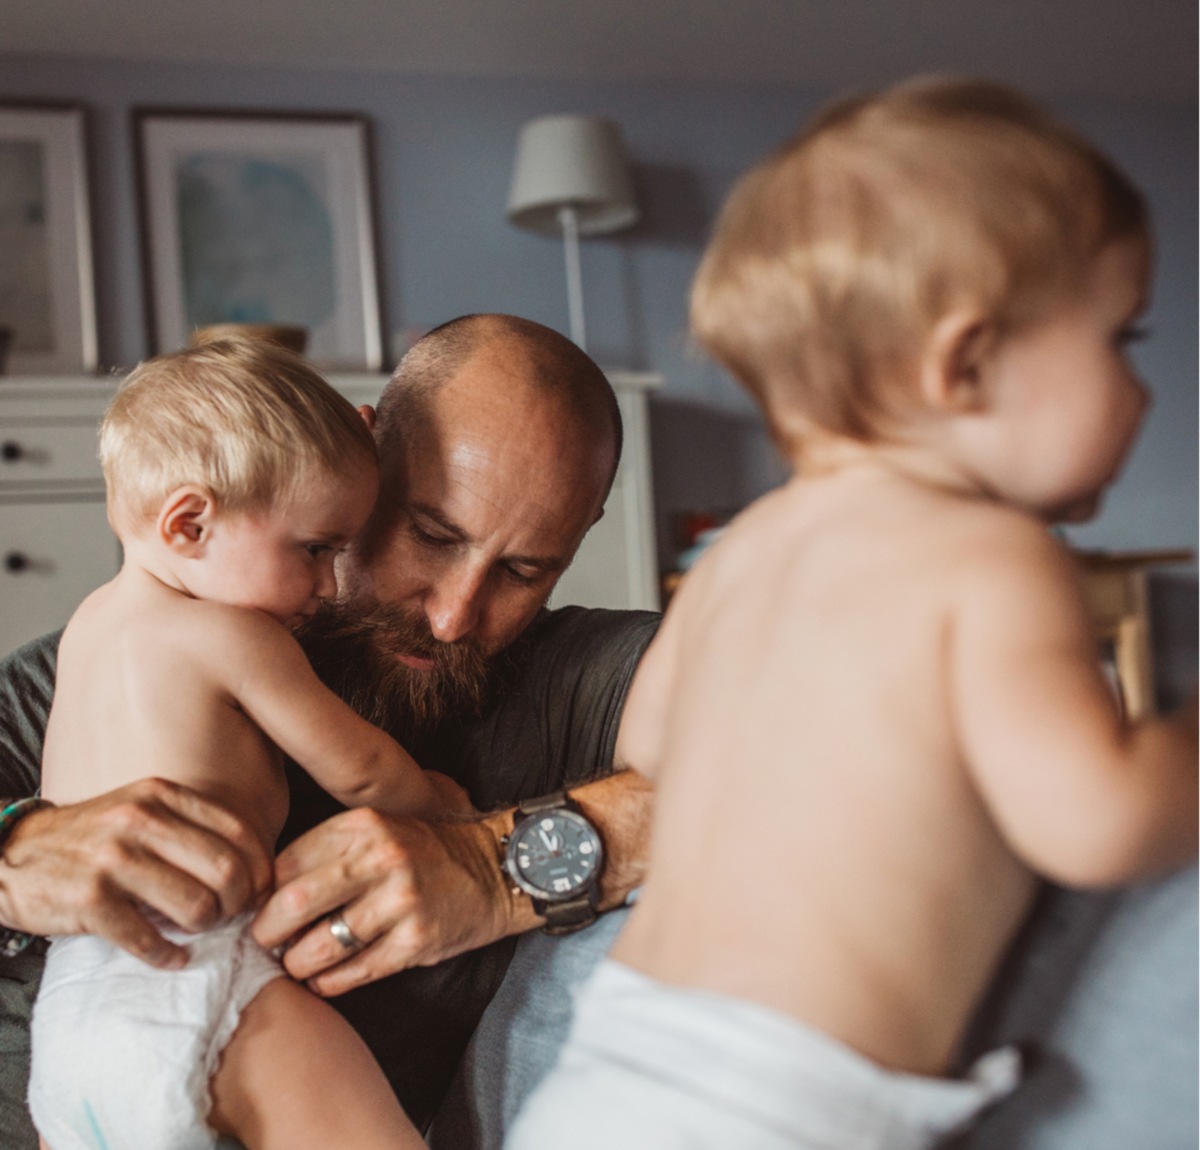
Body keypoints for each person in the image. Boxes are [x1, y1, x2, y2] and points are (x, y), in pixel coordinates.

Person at [507, 77, 1198, 1150]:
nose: (1140, 391)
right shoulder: (996, 556)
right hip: (784, 1109)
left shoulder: (744, 551)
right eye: (1123, 337)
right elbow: (1098, 822)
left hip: (603, 1076)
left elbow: (649, 740)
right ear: (967, 363)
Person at [0, 314, 660, 1145]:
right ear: (359, 449)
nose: (455, 615)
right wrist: (15, 848)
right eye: (431, 533)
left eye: (524, 570)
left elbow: (824, 760)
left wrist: (496, 870)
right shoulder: (73, 674)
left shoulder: (576, 676)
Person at [30, 339, 476, 1150]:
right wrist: (447, 806)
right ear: (190, 522)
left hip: (70, 1020)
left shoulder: (85, 632)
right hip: (203, 983)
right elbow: (363, 770)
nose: (330, 586)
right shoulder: (235, 637)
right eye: (314, 550)